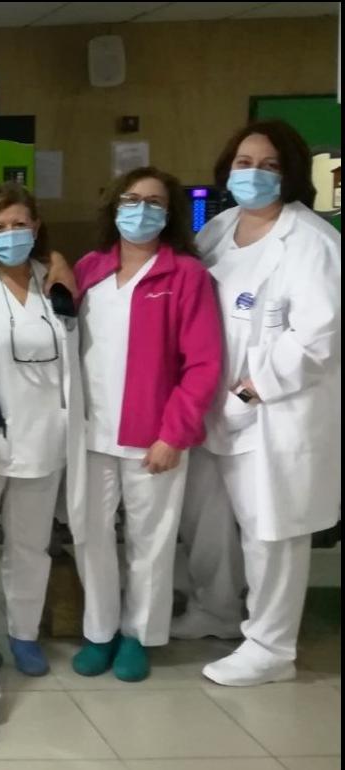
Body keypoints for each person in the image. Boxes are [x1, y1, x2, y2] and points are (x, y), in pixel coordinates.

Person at [176, 120, 341, 686]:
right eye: (244, 163)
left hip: (273, 411)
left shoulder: (312, 242)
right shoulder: (219, 229)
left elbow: (318, 338)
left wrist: (250, 390)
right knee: (208, 519)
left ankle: (271, 646)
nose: (254, 174)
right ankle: (215, 608)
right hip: (212, 405)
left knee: (271, 529)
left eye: (269, 165)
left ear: (289, 173)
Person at [71, 167, 223, 683]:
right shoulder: (90, 269)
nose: (141, 210)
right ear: (114, 206)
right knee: (91, 535)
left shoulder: (186, 275)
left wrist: (174, 434)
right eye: (132, 199)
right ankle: (99, 631)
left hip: (152, 436)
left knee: (150, 541)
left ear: (170, 213)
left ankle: (138, 634)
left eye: (154, 202)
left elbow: (203, 364)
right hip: (90, 432)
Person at [0, 182, 87, 677]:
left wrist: (59, 266)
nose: (10, 234)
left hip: (44, 435)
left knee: (30, 546)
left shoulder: (54, 280)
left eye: (19, 224)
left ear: (36, 227)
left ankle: (23, 633)